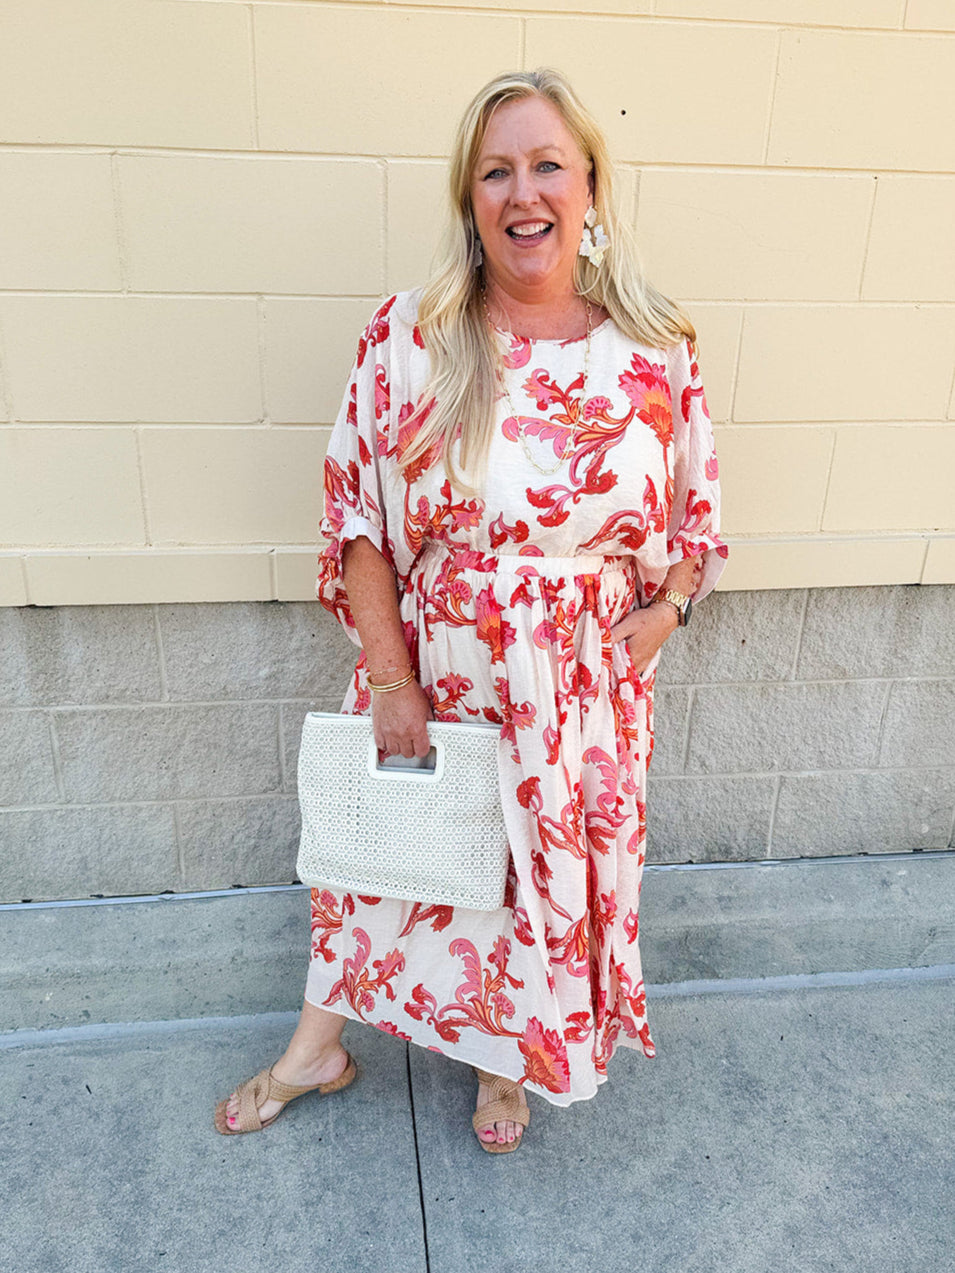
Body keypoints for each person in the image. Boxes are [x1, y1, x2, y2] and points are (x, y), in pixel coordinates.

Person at [215, 67, 726, 1153]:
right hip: (443, 664)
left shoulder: (655, 345)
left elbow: (698, 511)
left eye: (547, 164)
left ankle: (503, 1065)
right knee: (389, 866)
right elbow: (358, 517)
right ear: (469, 197)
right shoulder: (412, 335)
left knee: (527, 889)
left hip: (582, 690)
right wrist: (392, 680)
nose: (522, 191)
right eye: (496, 170)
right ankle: (318, 1046)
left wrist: (668, 609)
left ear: (591, 187)